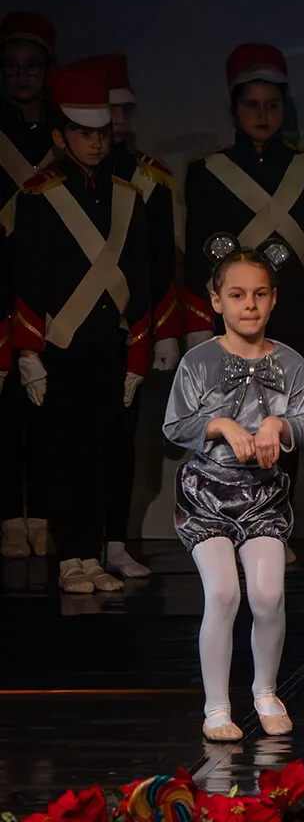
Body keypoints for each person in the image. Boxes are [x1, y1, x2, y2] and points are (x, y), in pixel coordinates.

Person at [183, 43, 304, 560]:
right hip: (230, 323)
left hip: (291, 313)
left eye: (272, 105)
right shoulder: (208, 171)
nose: (262, 115)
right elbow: (195, 256)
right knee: (227, 423)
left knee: (282, 424)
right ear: (235, 108)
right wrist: (197, 322)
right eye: (252, 105)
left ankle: (274, 528)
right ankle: (226, 527)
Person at [6, 65, 153, 593]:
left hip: (110, 346)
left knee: (105, 454)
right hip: (61, 348)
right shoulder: (38, 195)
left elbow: (140, 281)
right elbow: (26, 280)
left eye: (102, 132)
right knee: (65, 457)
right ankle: (71, 558)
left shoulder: (128, 196)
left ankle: (93, 556)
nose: (95, 142)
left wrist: (137, 357)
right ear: (60, 135)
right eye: (82, 132)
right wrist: (28, 353)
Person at [163, 232, 304, 741]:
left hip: (262, 496)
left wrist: (277, 426)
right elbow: (175, 425)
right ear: (216, 301)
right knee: (224, 593)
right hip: (208, 495)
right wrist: (222, 425)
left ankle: (265, 690)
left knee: (268, 596)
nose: (249, 305)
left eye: (260, 294)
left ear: (273, 299)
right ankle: (217, 707)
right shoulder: (198, 361)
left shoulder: (291, 363)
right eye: (237, 294)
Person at [86, 52, 181, 577]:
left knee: (123, 441)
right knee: (73, 444)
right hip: (71, 330)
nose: (118, 122)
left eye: (125, 111)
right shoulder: (60, 184)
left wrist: (165, 332)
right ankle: (76, 547)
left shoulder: (149, 179)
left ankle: (117, 541)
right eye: (109, 111)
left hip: (131, 329)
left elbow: (161, 263)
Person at [0, 10, 58, 561]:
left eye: (31, 66)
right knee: (5, 413)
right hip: (0, 284)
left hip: (52, 288)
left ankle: (41, 513)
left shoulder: (65, 131)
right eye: (12, 66)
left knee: (46, 411)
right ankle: (8, 519)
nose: (21, 76)